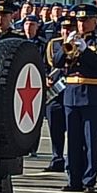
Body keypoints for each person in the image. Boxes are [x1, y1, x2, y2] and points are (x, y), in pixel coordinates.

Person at [52, 3, 97, 193]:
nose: (82, 25)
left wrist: (85, 51)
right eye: (79, 21)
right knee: (73, 139)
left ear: (95, 21)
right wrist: (65, 45)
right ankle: (73, 179)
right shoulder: (69, 39)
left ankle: (89, 179)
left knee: (90, 139)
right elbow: (58, 62)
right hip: (71, 93)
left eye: (86, 21)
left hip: (91, 92)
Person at [42, 16, 72, 173]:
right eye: (64, 28)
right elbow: (46, 64)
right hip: (55, 91)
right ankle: (57, 157)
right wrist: (46, 77)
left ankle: (72, 159)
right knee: (55, 127)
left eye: (69, 28)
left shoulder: (80, 43)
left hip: (71, 89)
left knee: (72, 129)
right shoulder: (53, 44)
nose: (66, 31)